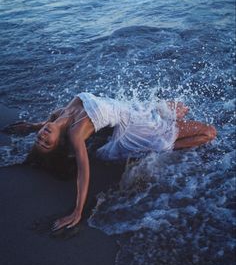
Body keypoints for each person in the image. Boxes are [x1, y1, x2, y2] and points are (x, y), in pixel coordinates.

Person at [2, 92, 217, 231]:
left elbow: (48, 125)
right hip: (137, 127)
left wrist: (30, 126)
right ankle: (160, 145)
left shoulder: (59, 114)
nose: (42, 136)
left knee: (183, 107)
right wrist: (77, 211)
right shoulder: (76, 133)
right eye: (46, 143)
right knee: (209, 133)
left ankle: (158, 141)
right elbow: (84, 171)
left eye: (39, 138)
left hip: (132, 109)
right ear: (59, 143)